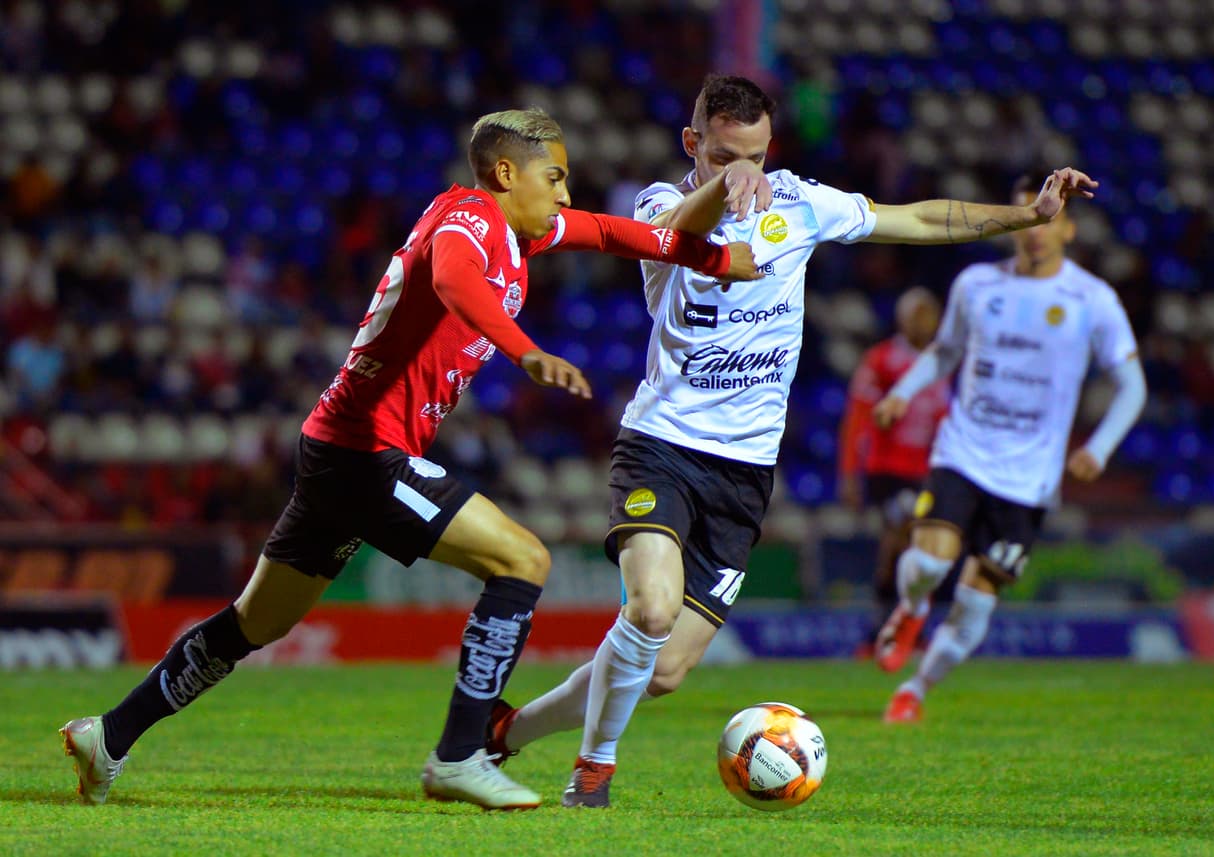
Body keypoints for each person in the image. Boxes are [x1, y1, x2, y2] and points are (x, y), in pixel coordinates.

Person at [59, 107, 762, 810]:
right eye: (555, 177)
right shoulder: (468, 222)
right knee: (523, 561)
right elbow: (457, 283)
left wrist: (714, 258)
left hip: (336, 445)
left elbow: (615, 232)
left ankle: (108, 735)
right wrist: (526, 351)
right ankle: (460, 754)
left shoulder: (519, 229)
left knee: (256, 623)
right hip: (368, 451)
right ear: (506, 173)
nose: (566, 195)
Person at [485, 74, 1100, 808]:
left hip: (745, 472)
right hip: (663, 445)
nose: (741, 167)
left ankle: (509, 731)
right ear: (693, 145)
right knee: (649, 609)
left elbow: (919, 220)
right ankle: (594, 772)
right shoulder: (655, 202)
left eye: (753, 154)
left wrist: (1024, 214)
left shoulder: (803, 204)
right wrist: (725, 184)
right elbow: (678, 230)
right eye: (721, 154)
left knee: (665, 669)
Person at [871, 169, 1147, 723]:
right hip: (964, 451)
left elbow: (1133, 385)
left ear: (1068, 231)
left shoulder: (1092, 300)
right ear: (1018, 223)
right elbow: (945, 353)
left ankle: (915, 690)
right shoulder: (977, 284)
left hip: (1029, 479)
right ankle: (912, 606)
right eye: (1030, 216)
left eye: (1052, 220)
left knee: (975, 603)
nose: (1038, 230)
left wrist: (1100, 447)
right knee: (926, 560)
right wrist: (903, 393)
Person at [836, 287, 950, 657]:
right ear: (902, 319)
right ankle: (887, 628)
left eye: (929, 313)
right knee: (902, 536)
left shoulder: (945, 362)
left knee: (920, 548)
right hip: (888, 470)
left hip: (928, 471)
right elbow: (857, 418)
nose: (924, 322)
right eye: (916, 314)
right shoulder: (882, 359)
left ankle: (900, 629)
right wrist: (850, 473)